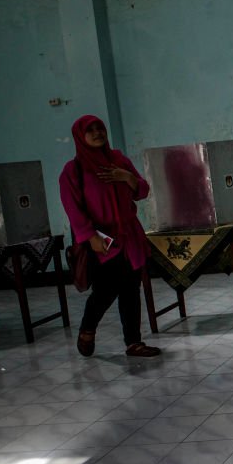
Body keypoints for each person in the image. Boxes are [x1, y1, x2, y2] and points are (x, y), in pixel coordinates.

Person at [60, 115, 161, 358]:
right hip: (101, 240)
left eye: (100, 128)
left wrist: (126, 177)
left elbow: (142, 190)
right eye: (90, 130)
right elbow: (72, 208)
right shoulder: (73, 170)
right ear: (80, 137)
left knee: (130, 288)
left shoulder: (119, 160)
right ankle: (87, 328)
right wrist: (90, 237)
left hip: (129, 236)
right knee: (106, 289)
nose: (97, 133)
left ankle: (133, 342)